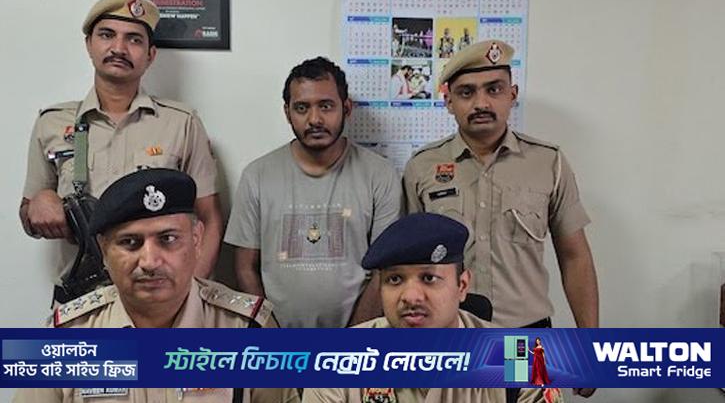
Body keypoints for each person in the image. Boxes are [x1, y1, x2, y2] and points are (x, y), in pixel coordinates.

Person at [13, 168, 298, 402]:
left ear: (197, 239)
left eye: (168, 239)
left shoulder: (247, 329)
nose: (149, 261)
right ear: (103, 251)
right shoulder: (66, 336)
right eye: (130, 242)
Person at [19, 0, 223, 295]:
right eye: (107, 35)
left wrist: (188, 293)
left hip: (159, 296)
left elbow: (209, 218)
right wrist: (38, 203)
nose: (119, 48)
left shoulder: (181, 123)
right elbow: (27, 214)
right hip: (81, 301)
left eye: (134, 39)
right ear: (89, 45)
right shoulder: (52, 123)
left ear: (150, 55)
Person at [403, 40, 598, 329]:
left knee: (520, 365)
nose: (481, 104)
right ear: (449, 102)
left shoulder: (548, 162)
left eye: (494, 89)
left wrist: (590, 340)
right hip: (449, 330)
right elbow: (407, 261)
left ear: (512, 95)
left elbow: (575, 257)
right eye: (466, 92)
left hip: (523, 333)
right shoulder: (422, 167)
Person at [302, 213, 559, 403]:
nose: (410, 296)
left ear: (462, 286)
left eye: (428, 278)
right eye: (395, 279)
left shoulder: (519, 358)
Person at [224, 57, 402, 328]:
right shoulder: (257, 176)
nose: (315, 119)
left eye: (326, 106)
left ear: (346, 108)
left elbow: (386, 269)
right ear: (287, 113)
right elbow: (245, 268)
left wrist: (353, 340)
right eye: (302, 108)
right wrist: (270, 335)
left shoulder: (380, 174)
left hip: (359, 337)